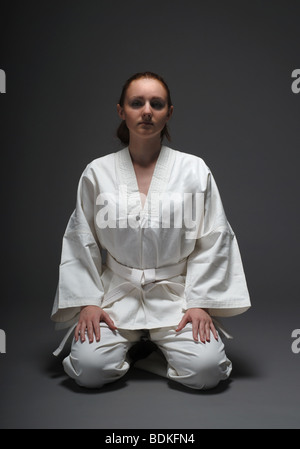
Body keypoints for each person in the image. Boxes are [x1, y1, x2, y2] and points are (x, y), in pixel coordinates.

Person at [51, 71, 251, 390]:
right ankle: (133, 349)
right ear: (122, 111)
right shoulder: (97, 173)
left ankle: (149, 356)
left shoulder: (194, 171)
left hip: (177, 296)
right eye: (137, 103)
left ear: (168, 112)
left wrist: (200, 301)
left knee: (207, 372)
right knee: (89, 371)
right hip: (116, 293)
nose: (146, 110)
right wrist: (88, 300)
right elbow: (80, 240)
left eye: (156, 104)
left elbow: (213, 239)